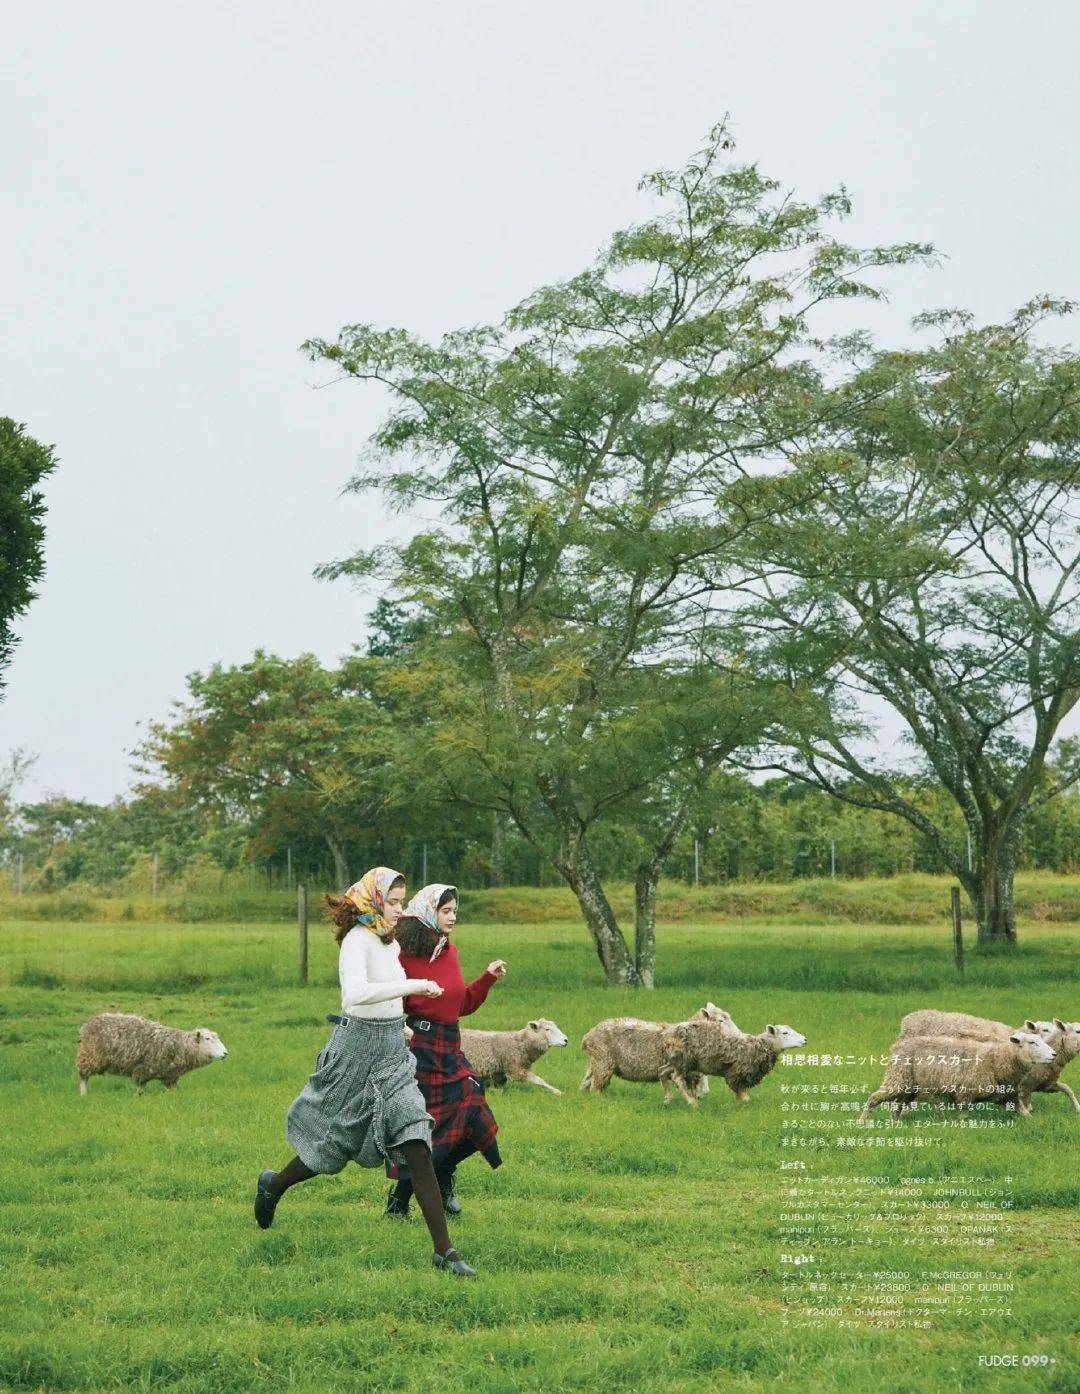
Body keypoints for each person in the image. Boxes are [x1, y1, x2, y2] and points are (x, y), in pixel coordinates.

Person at [253, 866, 477, 1276]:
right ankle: (274, 1184)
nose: (398, 909)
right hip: (355, 1052)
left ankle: (444, 1252)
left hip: (393, 1051)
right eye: (391, 902)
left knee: (416, 1137)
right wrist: (414, 987)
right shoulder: (357, 941)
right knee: (333, 1145)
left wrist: (400, 1022)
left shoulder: (388, 942)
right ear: (372, 900)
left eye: (401, 902)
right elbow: (356, 996)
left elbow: (384, 996)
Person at [385, 882, 506, 1219]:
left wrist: (486, 979)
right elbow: (392, 1003)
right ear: (428, 913)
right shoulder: (403, 955)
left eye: (455, 910)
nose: (453, 917)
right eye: (446, 911)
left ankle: (443, 1175)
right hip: (418, 1048)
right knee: (423, 1129)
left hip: (450, 1047)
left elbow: (461, 1004)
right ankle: (399, 1202)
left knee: (475, 1114)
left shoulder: (450, 952)